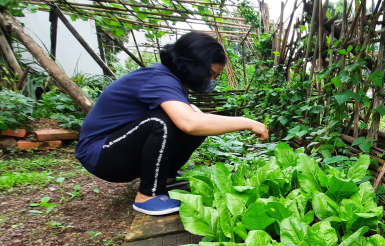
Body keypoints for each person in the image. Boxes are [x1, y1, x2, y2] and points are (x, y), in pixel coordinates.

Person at [75, 32, 268, 216]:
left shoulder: (173, 82)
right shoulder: (159, 78)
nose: (211, 80)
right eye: (210, 74)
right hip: (101, 155)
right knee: (162, 121)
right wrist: (246, 122)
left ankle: (165, 179)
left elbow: (196, 120)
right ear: (192, 65)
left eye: (215, 76)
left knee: (195, 118)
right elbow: (189, 123)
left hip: (118, 151)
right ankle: (147, 195)